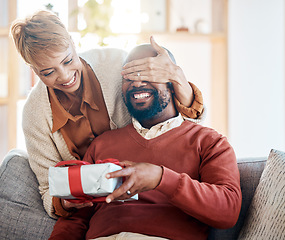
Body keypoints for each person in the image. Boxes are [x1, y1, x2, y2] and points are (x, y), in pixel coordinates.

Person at [10, 10, 205, 219]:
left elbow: (178, 120)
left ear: (73, 44)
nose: (65, 76)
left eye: (67, 61)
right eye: (48, 72)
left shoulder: (116, 65)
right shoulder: (34, 114)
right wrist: (68, 202)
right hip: (96, 212)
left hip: (148, 191)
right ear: (33, 69)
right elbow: (48, 189)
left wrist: (177, 77)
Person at [49, 44, 242, 240]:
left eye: (147, 73)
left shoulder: (209, 142)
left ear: (172, 82)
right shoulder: (102, 144)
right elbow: (75, 219)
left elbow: (228, 210)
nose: (137, 82)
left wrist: (161, 178)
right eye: (128, 76)